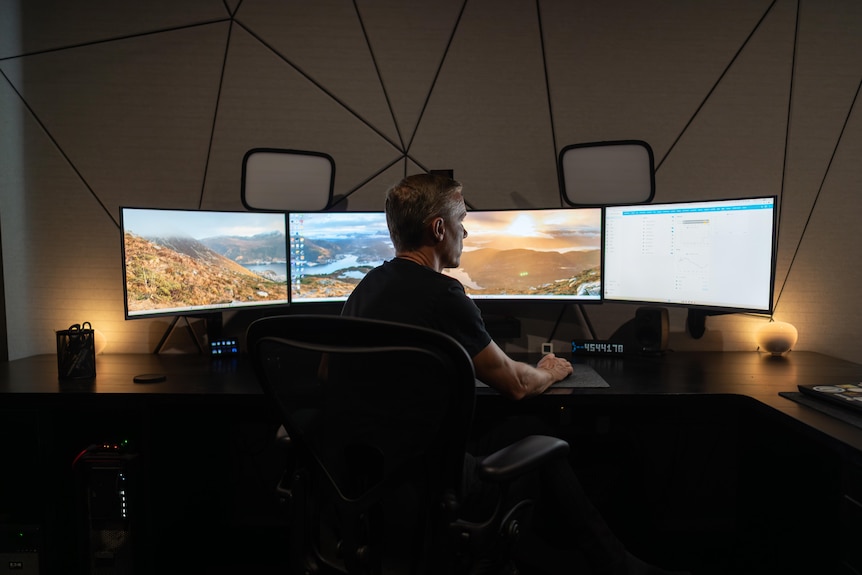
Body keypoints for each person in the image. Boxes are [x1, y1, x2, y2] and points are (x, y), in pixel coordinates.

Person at [341, 173, 689, 575]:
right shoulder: (444, 296)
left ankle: (536, 553)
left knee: (525, 426)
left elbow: (330, 369)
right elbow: (518, 385)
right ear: (439, 228)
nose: (466, 231)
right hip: (429, 475)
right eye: (462, 220)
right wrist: (550, 370)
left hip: (369, 472)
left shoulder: (366, 287)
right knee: (546, 444)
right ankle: (616, 565)